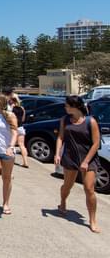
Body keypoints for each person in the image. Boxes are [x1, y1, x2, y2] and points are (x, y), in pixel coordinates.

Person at [55, 95, 101, 233]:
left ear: (75, 107)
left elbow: (96, 143)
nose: (65, 107)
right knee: (67, 185)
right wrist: (57, 153)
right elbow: (60, 137)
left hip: (88, 158)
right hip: (70, 157)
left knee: (89, 189)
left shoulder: (90, 121)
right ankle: (62, 203)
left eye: (67, 105)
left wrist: (86, 161)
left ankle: (92, 220)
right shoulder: (65, 120)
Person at [10, 94, 29, 168]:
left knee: (12, 145)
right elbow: (23, 119)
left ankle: (11, 160)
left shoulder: (11, 107)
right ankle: (25, 162)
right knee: (22, 145)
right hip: (21, 127)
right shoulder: (22, 108)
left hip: (13, 128)